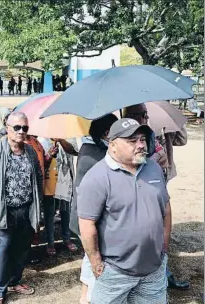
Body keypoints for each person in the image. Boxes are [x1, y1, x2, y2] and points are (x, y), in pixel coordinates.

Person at [77, 118, 171, 303]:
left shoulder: (153, 168)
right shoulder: (97, 177)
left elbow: (166, 209)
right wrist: (95, 262)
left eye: (142, 139)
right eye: (132, 141)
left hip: (154, 270)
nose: (140, 145)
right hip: (115, 272)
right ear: (112, 145)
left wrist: (164, 246)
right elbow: (87, 224)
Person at [0, 112, 43, 304]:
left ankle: (15, 281)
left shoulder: (30, 151)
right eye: (17, 127)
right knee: (4, 248)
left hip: (26, 208)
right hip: (4, 210)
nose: (21, 132)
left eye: (25, 128)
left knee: (23, 247)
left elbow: (38, 177)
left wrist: (37, 206)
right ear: (7, 128)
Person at [124, 104, 189, 291]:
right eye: (143, 114)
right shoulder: (128, 138)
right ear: (133, 116)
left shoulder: (159, 128)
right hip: (140, 187)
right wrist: (153, 159)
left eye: (146, 114)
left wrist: (174, 123)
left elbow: (181, 140)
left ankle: (163, 273)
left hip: (159, 182)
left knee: (159, 228)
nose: (146, 117)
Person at [68, 114, 118, 304]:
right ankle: (91, 297)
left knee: (90, 257)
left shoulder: (91, 148)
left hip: (87, 218)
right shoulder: (95, 154)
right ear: (107, 133)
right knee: (96, 258)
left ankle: (84, 297)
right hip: (88, 220)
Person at [38, 137, 79, 256]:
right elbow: (42, 161)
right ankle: (50, 243)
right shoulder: (41, 140)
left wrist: (61, 140)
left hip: (65, 181)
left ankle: (67, 239)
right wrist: (50, 154)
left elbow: (74, 150)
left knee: (66, 212)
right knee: (49, 214)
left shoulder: (69, 138)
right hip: (49, 182)